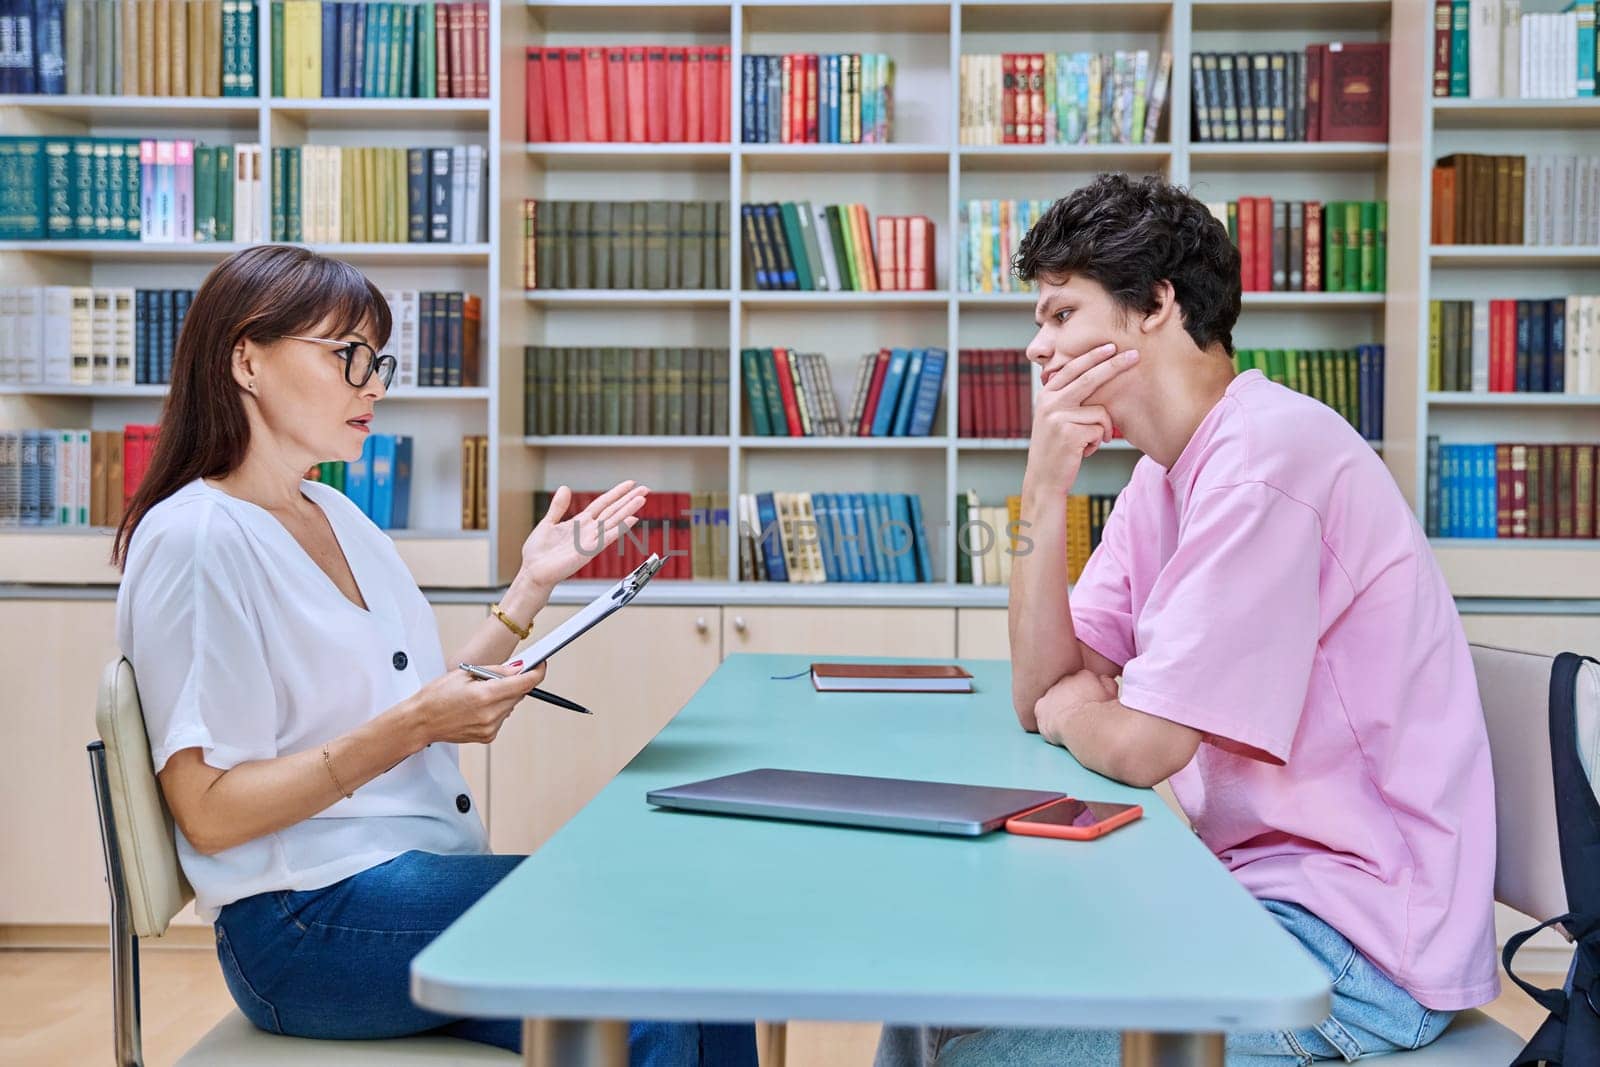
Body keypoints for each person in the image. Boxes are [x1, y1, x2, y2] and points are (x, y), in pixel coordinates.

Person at [877, 174, 1499, 1065]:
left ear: (1155, 304)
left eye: (1059, 314)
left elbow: (1143, 746)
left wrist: (1077, 710)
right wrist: (1042, 488)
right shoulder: (1161, 476)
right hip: (1245, 895)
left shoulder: (1266, 462)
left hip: (1351, 952)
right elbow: (1036, 684)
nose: (1035, 348)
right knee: (933, 980)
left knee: (984, 1054)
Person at [113, 245, 757, 1064]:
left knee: (685, 976)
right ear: (246, 357)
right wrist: (417, 724)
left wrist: (528, 588)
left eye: (376, 360)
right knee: (642, 915)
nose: (374, 383)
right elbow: (206, 807)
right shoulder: (198, 539)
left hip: (397, 886)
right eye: (347, 355)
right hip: (306, 922)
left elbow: (415, 699)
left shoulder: (337, 514)